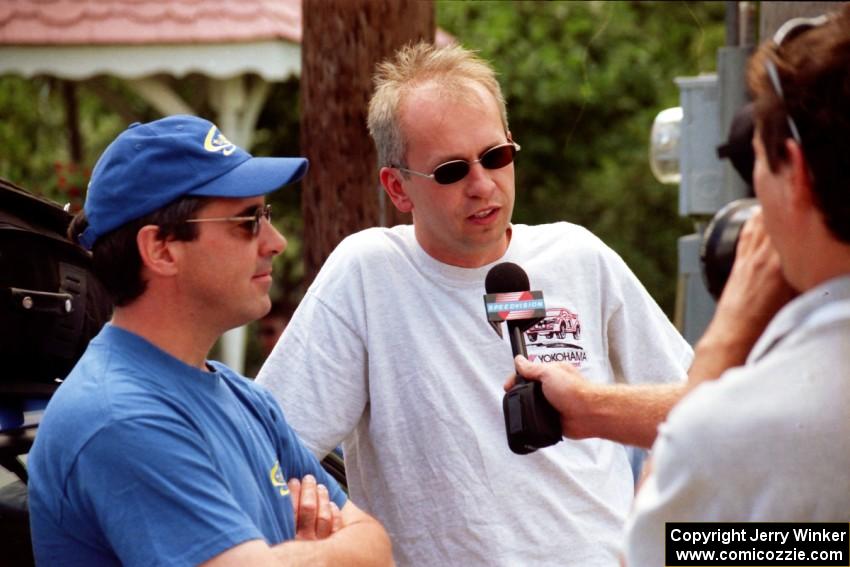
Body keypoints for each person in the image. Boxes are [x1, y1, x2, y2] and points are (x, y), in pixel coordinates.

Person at [257, 43, 693, 566]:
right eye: (450, 171)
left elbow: (698, 411)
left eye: (495, 157)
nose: (483, 184)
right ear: (398, 188)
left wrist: (653, 535)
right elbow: (266, 449)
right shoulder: (368, 272)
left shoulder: (579, 253)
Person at [26, 115, 393, 567]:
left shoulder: (246, 399)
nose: (275, 242)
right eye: (247, 221)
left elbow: (376, 543)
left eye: (267, 215)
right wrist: (323, 553)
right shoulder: (119, 417)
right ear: (161, 249)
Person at [623, 10, 850, 564]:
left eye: (758, 168)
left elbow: (654, 550)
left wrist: (725, 340)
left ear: (794, 171)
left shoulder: (734, 431)